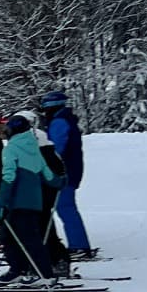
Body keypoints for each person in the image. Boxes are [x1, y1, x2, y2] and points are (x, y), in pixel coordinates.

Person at [0, 111, 64, 283]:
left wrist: (1, 202)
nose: (6, 132)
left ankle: (43, 275)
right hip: (34, 201)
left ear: (13, 130)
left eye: (7, 129)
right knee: (12, 236)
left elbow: (9, 177)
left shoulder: (11, 149)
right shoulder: (33, 148)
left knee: (26, 238)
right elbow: (47, 174)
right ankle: (18, 270)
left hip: (17, 201)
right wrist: (59, 182)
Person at [37, 89, 92, 257]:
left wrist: (44, 163)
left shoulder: (59, 122)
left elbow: (56, 148)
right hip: (69, 169)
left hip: (64, 171)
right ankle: (78, 244)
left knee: (65, 207)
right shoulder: (64, 119)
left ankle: (79, 246)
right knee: (65, 207)